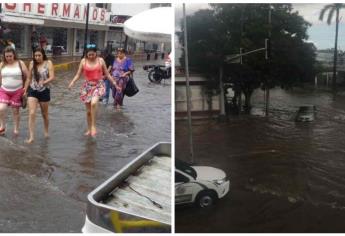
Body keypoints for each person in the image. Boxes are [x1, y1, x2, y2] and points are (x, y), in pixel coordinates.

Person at [68, 44, 118, 137]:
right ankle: (89, 128)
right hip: (87, 87)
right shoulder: (83, 61)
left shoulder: (101, 60)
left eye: (93, 54)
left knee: (94, 103)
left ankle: (94, 126)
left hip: (98, 85)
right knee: (88, 112)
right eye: (89, 55)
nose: (91, 56)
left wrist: (115, 84)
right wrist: (72, 82)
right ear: (86, 54)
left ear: (96, 53)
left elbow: (107, 74)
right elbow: (78, 74)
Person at [24, 47, 55, 143]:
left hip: (44, 90)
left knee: (44, 114)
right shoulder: (32, 63)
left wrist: (44, 82)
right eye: (35, 55)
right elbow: (29, 78)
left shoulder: (48, 63)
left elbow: (52, 77)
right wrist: (25, 90)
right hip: (33, 90)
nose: (37, 57)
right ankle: (31, 137)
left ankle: (46, 132)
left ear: (43, 55)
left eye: (39, 55)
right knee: (32, 113)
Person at [0, 46, 29, 136]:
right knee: (1, 108)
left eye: (10, 56)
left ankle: (16, 129)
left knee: (15, 111)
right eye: (7, 56)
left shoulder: (20, 63)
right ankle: (2, 126)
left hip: (17, 91)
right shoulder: (2, 64)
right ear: (4, 56)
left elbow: (28, 77)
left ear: (14, 55)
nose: (8, 58)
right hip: (4, 90)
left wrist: (25, 89)